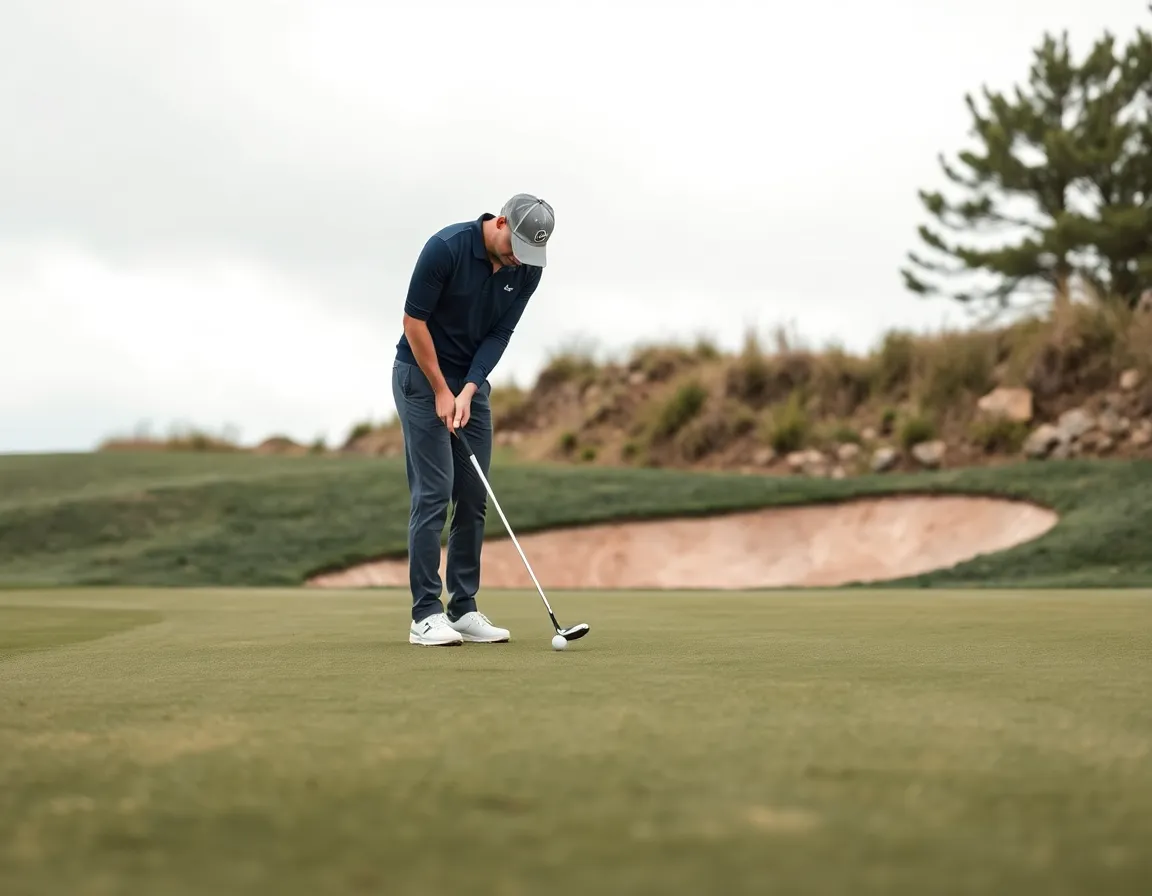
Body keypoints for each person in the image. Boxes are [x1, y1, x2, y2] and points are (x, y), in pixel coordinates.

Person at [391, 193, 555, 646]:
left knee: (472, 492)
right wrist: (442, 390)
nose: (517, 260)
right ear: (500, 222)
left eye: (527, 254)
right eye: (513, 247)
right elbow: (413, 322)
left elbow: (500, 331)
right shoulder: (446, 248)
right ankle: (424, 614)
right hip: (420, 376)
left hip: (468, 384)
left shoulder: (528, 269)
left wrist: (468, 388)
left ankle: (462, 608)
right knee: (434, 492)